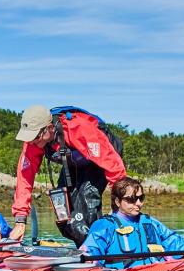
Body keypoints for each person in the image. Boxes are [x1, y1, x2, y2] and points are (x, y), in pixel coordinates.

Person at [8, 105, 126, 246]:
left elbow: (114, 167)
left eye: (35, 136)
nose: (32, 142)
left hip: (100, 159)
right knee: (64, 217)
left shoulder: (79, 128)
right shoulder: (33, 142)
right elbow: (24, 178)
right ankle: (83, 249)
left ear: (49, 128)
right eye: (28, 137)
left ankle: (98, 250)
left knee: (86, 209)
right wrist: (20, 221)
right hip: (74, 163)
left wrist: (120, 204)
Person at [81, 177, 184, 269]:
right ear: (117, 201)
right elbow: (91, 250)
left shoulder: (150, 223)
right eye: (132, 199)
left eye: (141, 198)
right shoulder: (105, 225)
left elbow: (175, 242)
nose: (138, 203)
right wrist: (88, 259)